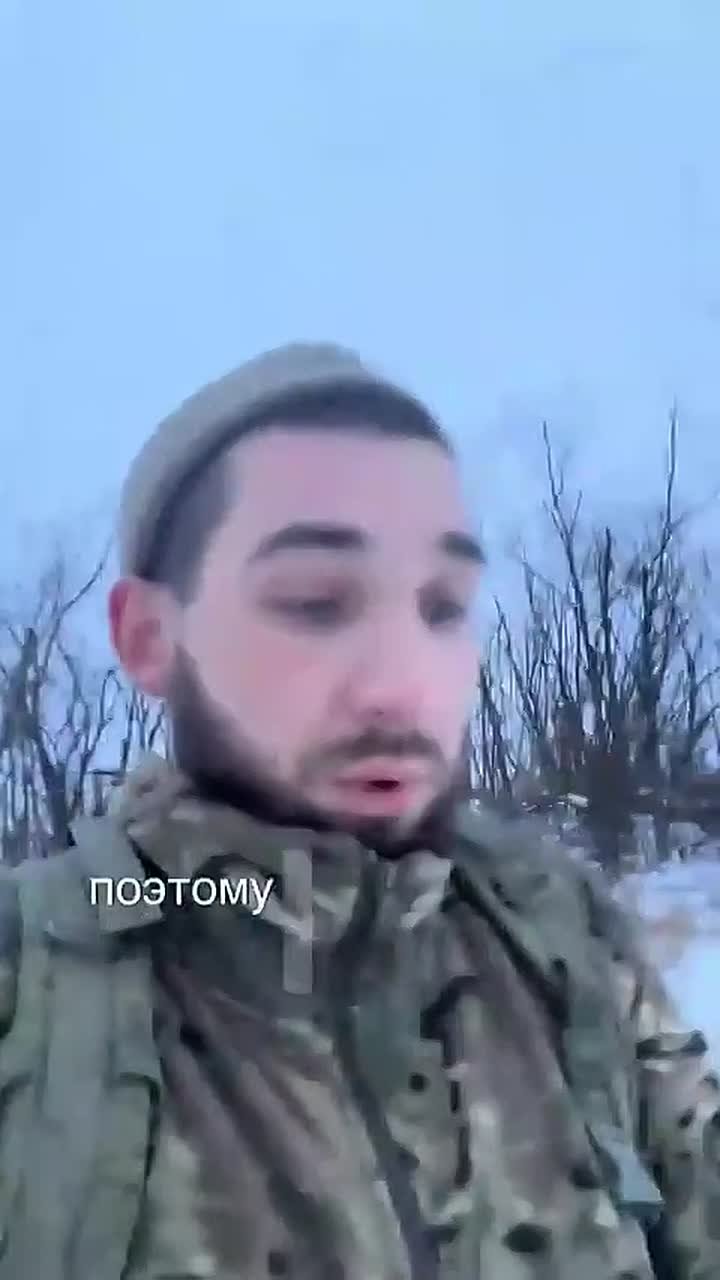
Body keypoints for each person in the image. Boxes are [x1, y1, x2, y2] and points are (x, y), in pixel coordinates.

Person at [0, 342, 718, 1280]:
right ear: (148, 639)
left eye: (443, 605)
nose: (403, 685)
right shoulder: (30, 981)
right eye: (316, 602)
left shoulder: (563, 932)